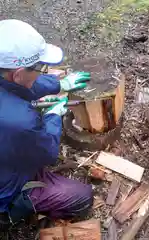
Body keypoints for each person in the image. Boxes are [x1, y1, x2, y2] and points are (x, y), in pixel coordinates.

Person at [0, 19, 93, 228]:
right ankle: (10, 213)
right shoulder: (21, 122)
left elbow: (16, 86)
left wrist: (59, 84)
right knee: (82, 197)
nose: (44, 71)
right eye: (41, 68)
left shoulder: (6, 76)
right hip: (5, 187)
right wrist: (53, 115)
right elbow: (49, 152)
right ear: (18, 73)